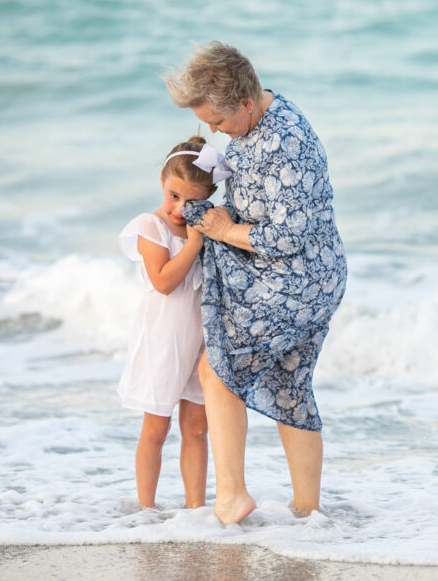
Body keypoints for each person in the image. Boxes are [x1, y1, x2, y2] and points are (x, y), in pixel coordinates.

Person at [164, 42, 347, 525]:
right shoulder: (257, 119)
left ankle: (230, 497)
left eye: (218, 122)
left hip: (299, 279)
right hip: (310, 275)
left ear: (246, 102)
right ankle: (309, 512)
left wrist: (224, 230)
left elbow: (288, 236)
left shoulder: (284, 139)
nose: (214, 131)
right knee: (290, 386)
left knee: (217, 367)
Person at [117, 136, 226, 509]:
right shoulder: (152, 227)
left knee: (197, 429)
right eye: (173, 195)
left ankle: (195, 510)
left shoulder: (205, 228)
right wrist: (194, 242)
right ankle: (145, 510)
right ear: (161, 180)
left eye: (192, 201)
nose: (180, 208)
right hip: (162, 340)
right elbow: (163, 282)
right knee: (156, 429)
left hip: (200, 340)